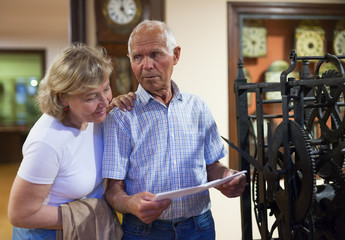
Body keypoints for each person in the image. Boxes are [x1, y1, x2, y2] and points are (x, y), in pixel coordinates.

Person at [102, 20, 247, 240]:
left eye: (155, 54)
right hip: (144, 232)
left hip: (200, 227)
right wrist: (131, 204)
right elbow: (113, 190)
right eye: (137, 57)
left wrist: (226, 177)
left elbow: (212, 167)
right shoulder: (121, 116)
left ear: (176, 55)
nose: (146, 65)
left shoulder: (198, 107)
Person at [8, 43, 120, 239]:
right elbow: (20, 214)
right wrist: (90, 214)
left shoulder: (93, 119)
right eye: (91, 97)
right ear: (63, 98)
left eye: (106, 88)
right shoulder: (47, 142)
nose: (105, 102)